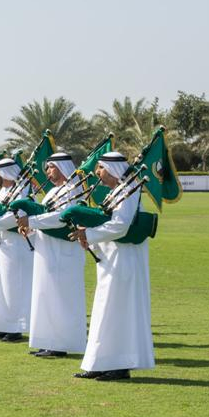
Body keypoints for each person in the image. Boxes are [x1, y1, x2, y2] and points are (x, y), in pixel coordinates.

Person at [72, 152, 154, 381]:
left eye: (100, 168)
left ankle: (120, 364)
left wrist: (88, 233)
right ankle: (99, 362)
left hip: (124, 259)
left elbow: (121, 226)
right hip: (111, 258)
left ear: (112, 169)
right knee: (104, 310)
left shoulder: (129, 192)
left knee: (119, 310)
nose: (97, 173)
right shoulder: (119, 191)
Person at [17, 152, 87, 358]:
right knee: (45, 294)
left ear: (63, 168)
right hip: (46, 250)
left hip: (64, 251)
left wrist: (33, 222)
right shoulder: (51, 192)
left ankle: (61, 343)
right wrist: (29, 228)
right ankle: (48, 340)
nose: (47, 171)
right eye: (47, 168)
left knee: (61, 297)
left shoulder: (73, 191)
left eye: (51, 167)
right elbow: (42, 215)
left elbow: (61, 218)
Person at [0, 158, 33, 342]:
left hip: (14, 244)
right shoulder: (3, 190)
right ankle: (2, 324)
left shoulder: (22, 190)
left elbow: (17, 216)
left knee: (13, 285)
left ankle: (15, 327)